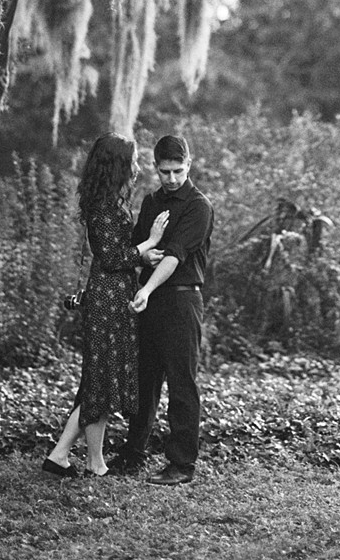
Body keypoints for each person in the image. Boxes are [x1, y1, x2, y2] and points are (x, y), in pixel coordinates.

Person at [42, 133, 168, 478]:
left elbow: (116, 256)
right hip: (109, 299)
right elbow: (112, 257)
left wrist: (144, 255)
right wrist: (148, 245)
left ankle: (87, 460)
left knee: (99, 380)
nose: (136, 166)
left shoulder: (107, 201)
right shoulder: (103, 207)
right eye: (132, 160)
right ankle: (64, 455)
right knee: (100, 381)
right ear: (117, 165)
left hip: (114, 295)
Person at [110, 133, 215, 486]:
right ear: (155, 167)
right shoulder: (152, 202)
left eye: (178, 171)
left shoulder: (198, 206)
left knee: (182, 382)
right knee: (145, 379)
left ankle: (181, 464)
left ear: (190, 164)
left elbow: (174, 256)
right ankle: (134, 452)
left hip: (182, 300)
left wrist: (147, 287)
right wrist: (142, 254)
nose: (171, 178)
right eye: (165, 171)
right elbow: (140, 246)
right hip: (150, 300)